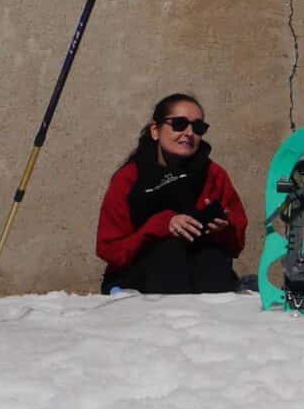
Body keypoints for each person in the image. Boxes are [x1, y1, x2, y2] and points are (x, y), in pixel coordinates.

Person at [96, 93, 245, 293]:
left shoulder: (214, 174)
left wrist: (222, 229)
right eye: (179, 124)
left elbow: (236, 244)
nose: (189, 133)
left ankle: (212, 322)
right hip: (140, 273)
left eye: (198, 127)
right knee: (169, 251)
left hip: (200, 270)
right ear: (155, 130)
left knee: (212, 260)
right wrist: (161, 225)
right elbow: (109, 249)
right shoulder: (130, 178)